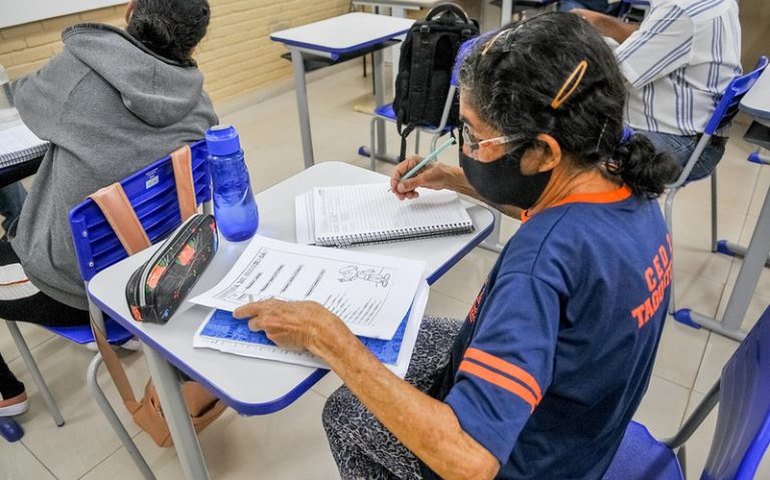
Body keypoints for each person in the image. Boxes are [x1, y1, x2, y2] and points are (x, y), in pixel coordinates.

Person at [234, 12, 681, 479]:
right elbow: (553, 212)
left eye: (473, 134)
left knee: (345, 411)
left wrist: (326, 338)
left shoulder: (541, 263)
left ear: (543, 152)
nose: (462, 145)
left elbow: (470, 461)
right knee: (395, 335)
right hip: (583, 427)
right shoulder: (624, 178)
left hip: (529, 462)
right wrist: (455, 179)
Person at [0, 0, 217, 417]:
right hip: (161, 271)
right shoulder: (197, 98)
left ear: (131, 10)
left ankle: (6, 394)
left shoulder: (81, 72)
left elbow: (23, 100)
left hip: (75, 290)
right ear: (195, 41)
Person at [573, 0, 742, 181]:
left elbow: (608, 78)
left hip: (677, 144)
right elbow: (656, 38)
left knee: (566, 153)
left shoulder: (681, 10)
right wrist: (602, 22)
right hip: (699, 137)